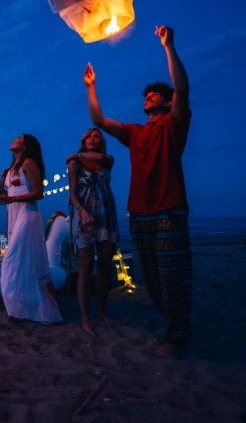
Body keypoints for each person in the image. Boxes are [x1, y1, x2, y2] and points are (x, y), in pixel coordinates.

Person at [84, 25, 192, 359]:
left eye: (156, 94)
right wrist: (91, 87)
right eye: (147, 95)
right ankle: (172, 326)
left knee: (172, 277)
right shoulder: (135, 132)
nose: (149, 97)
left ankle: (175, 339)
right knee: (152, 280)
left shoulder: (173, 124)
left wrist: (168, 46)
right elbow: (100, 120)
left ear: (167, 101)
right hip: (140, 215)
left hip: (168, 212)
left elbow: (182, 89)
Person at [0, 134, 62, 324]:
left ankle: (24, 308)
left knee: (11, 259)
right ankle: (23, 309)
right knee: (23, 261)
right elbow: (6, 193)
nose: (13, 139)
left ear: (26, 146)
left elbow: (39, 193)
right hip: (13, 216)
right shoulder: (10, 169)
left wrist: (10, 198)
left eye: (18, 138)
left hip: (27, 215)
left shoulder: (28, 163)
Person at [66, 128, 120, 335]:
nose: (93, 138)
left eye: (96, 136)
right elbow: (72, 193)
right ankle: (84, 317)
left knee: (105, 265)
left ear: (101, 142)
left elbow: (103, 158)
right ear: (83, 140)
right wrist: (81, 211)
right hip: (85, 217)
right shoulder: (75, 164)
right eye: (89, 136)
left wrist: (77, 153)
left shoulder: (108, 160)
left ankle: (100, 310)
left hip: (107, 216)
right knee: (85, 266)